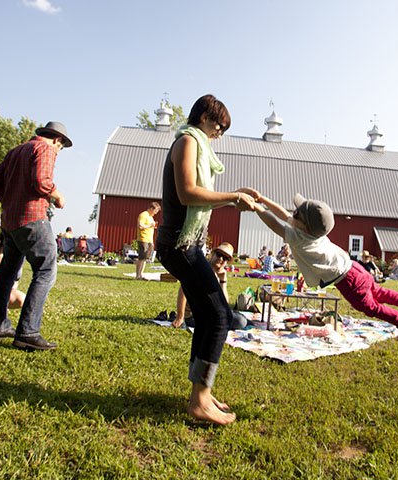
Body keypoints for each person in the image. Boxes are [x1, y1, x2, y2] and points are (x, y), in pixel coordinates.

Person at [155, 94, 257, 425]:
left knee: (211, 314)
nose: (220, 133)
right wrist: (232, 198)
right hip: (178, 245)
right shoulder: (187, 142)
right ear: (204, 119)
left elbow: (199, 194)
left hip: (188, 244)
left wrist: (235, 193)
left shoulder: (198, 146)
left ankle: (201, 392)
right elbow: (187, 193)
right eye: (219, 126)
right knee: (218, 317)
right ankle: (199, 400)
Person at [253, 193, 398, 342]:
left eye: (296, 214)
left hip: (348, 281)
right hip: (355, 268)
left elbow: (274, 223)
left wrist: (256, 207)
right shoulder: (310, 234)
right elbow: (283, 215)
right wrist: (262, 199)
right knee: (380, 292)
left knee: (371, 307)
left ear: (303, 225)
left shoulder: (300, 238)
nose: (292, 214)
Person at [0, 120, 73, 350]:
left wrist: (10, 200)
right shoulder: (45, 148)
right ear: (57, 140)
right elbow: (41, 181)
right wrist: (57, 195)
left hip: (10, 221)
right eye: (61, 148)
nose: (58, 151)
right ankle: (28, 331)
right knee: (45, 270)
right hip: (33, 218)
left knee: (7, 273)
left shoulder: (16, 151)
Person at [172, 242, 247, 330]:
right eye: (219, 255)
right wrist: (180, 317)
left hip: (212, 312)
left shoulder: (219, 274)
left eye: (225, 258)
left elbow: (225, 304)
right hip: (194, 315)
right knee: (240, 321)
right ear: (213, 254)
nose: (221, 259)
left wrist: (223, 281)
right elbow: (183, 291)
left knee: (242, 319)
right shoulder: (199, 268)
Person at [136, 202, 161, 279]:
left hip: (149, 240)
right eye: (156, 210)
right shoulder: (143, 215)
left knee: (145, 258)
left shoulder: (151, 217)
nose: (156, 213)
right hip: (143, 239)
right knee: (142, 257)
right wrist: (150, 225)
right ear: (151, 208)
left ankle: (141, 274)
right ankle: (138, 275)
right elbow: (140, 226)